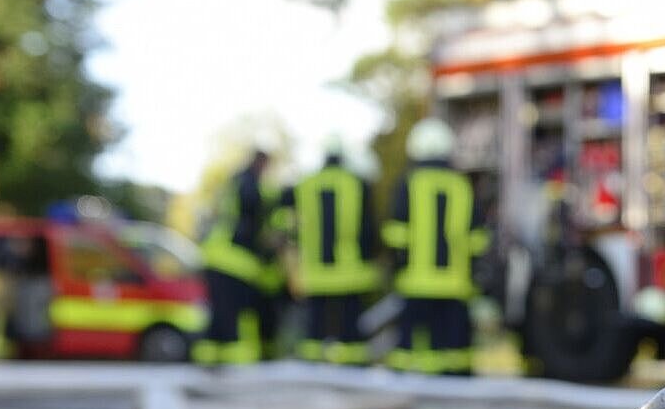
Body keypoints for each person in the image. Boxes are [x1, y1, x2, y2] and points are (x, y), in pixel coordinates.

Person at [383, 118, 489, 375]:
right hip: (455, 286)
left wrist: (398, 267)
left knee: (409, 355)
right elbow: (478, 239)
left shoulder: (408, 183)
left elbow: (395, 234)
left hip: (416, 286)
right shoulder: (462, 186)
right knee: (455, 357)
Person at [291, 135, 379, 364]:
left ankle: (313, 369)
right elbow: (368, 227)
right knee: (350, 332)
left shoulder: (306, 184)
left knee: (315, 330)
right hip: (349, 272)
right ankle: (353, 370)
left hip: (316, 272)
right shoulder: (357, 183)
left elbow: (291, 223)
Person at [195, 149, 276, 364]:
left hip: (214, 255)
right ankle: (236, 363)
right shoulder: (251, 185)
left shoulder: (234, 182)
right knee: (237, 318)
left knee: (218, 317)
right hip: (234, 261)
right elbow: (253, 222)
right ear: (261, 162)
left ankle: (208, 361)